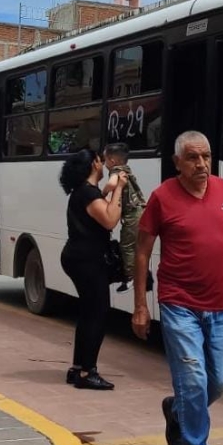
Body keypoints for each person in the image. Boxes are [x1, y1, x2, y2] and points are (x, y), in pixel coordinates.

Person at [132, 130, 223, 445]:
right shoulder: (162, 198)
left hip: (220, 306)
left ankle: (177, 411)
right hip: (178, 304)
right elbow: (142, 251)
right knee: (194, 381)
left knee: (218, 382)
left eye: (206, 156)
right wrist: (141, 305)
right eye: (192, 158)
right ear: (177, 163)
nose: (202, 164)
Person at [58, 148, 126, 391]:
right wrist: (119, 189)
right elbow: (109, 219)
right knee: (97, 313)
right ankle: (88, 372)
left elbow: (100, 202)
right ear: (94, 165)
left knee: (87, 313)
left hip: (78, 257)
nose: (103, 162)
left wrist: (110, 188)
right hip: (87, 260)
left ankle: (78, 368)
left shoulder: (85, 192)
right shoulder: (87, 194)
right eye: (100, 160)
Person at [103, 143, 147, 294]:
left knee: (127, 246)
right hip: (141, 211)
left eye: (105, 160)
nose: (104, 164)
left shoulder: (115, 171)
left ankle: (130, 277)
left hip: (132, 215)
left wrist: (103, 192)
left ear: (112, 161)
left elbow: (111, 184)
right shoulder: (127, 169)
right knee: (137, 246)